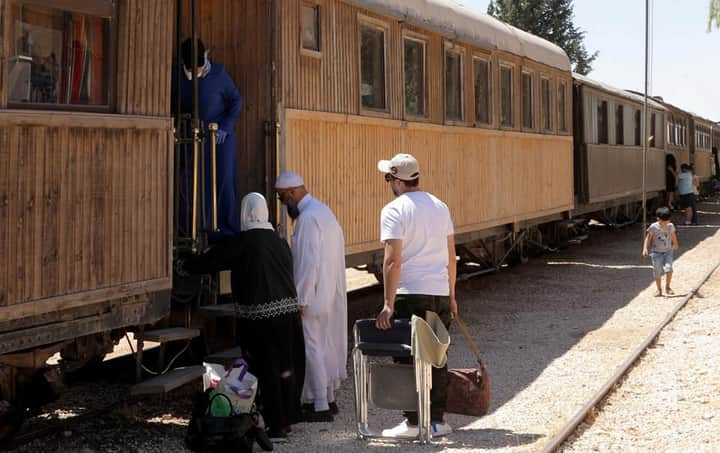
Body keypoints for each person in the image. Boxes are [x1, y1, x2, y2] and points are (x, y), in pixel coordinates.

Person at [178, 193, 305, 441]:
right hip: (289, 316)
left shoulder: (245, 241)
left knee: (265, 368)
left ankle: (275, 425)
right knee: (286, 367)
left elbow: (211, 261)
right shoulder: (279, 241)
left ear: (245, 213)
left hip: (262, 319)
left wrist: (183, 264)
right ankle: (287, 420)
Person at [374, 153, 457, 438]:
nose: (388, 183)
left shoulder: (394, 210)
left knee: (408, 358)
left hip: (411, 294)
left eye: (388, 178)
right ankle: (437, 421)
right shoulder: (440, 206)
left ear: (397, 181)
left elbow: (392, 261)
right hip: (440, 292)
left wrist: (387, 303)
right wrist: (453, 296)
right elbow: (451, 257)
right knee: (437, 356)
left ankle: (413, 422)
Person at [274, 172, 347, 422]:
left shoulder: (307, 219)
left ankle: (319, 406)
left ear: (293, 193)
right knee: (324, 344)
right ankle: (328, 397)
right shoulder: (324, 212)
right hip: (328, 292)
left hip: (312, 294)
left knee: (311, 347)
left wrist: (301, 298)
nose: (285, 205)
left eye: (283, 199)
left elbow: (307, 264)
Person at [173, 38, 243, 240]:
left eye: (200, 66)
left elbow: (236, 100)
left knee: (223, 181)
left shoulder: (219, 74)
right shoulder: (177, 77)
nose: (198, 71)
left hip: (219, 139)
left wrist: (226, 128)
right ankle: (194, 231)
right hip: (192, 138)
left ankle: (227, 231)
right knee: (192, 184)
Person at [642, 206, 679, 297]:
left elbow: (673, 235)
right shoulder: (653, 227)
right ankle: (659, 289)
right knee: (657, 271)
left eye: (668, 221)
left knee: (669, 268)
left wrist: (675, 244)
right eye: (664, 221)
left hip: (668, 251)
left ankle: (668, 286)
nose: (666, 223)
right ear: (658, 219)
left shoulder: (670, 226)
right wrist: (645, 248)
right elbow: (648, 238)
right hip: (656, 253)